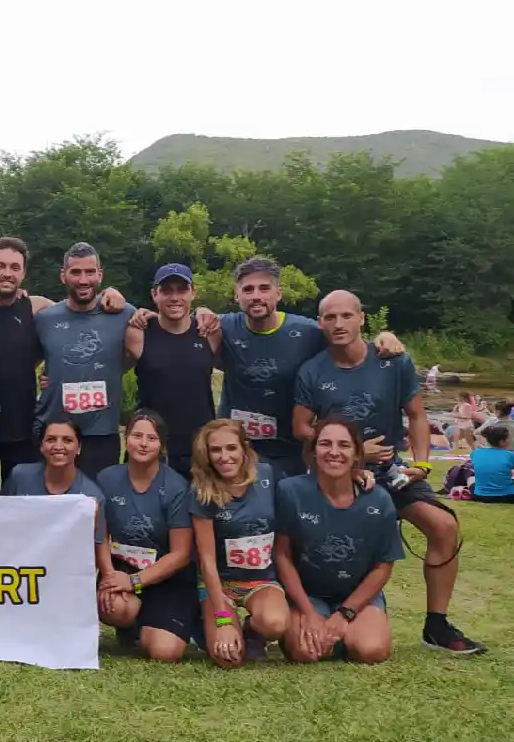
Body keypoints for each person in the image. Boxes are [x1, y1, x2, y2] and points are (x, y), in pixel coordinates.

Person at [293, 289, 484, 654]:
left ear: (361, 317)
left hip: (390, 471)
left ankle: (436, 625)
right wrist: (350, 451)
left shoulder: (392, 360)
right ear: (320, 323)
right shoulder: (313, 370)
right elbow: (301, 427)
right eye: (329, 318)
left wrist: (422, 463)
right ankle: (317, 611)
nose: (338, 324)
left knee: (444, 526)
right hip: (339, 475)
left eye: (346, 316)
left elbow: (416, 416)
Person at [0, 237, 126, 480]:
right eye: (0, 266)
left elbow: (79, 311)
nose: (7, 273)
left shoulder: (38, 307)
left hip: (22, 426)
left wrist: (110, 293)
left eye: (14, 267)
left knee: (21, 502)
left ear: (23, 273)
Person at [210, 257, 404, 480]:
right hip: (236, 445)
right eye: (248, 290)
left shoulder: (307, 332)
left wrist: (383, 337)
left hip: (289, 450)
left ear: (278, 293)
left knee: (285, 508)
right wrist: (198, 311)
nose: (256, 296)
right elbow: (179, 325)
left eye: (264, 288)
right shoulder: (223, 326)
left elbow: (349, 340)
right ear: (237, 295)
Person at [276, 417, 403, 664]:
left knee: (370, 651)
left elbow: (383, 566)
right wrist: (308, 613)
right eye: (325, 444)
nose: (334, 452)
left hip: (358, 595)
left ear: (357, 454)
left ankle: (349, 630)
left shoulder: (379, 500)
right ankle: (318, 628)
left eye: (344, 445)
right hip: (309, 594)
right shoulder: (290, 491)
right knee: (304, 653)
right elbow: (282, 555)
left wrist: (345, 614)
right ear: (313, 451)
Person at [94, 410, 198, 662]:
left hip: (165, 575)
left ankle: (157, 622)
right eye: (136, 435)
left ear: (161, 445)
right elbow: (99, 537)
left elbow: (181, 554)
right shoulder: (106, 478)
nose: (143, 443)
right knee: (115, 608)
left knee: (165, 652)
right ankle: (128, 624)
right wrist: (109, 576)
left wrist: (135, 582)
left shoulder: (177, 487)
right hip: (122, 568)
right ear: (125, 438)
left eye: (151, 438)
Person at [189, 419, 289, 669]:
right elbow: (207, 561)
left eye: (231, 448)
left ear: (244, 449)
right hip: (220, 584)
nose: (225, 457)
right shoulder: (202, 491)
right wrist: (222, 620)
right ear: (207, 455)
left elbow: (309, 488)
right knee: (228, 658)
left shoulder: (268, 475)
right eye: (216, 450)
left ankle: (252, 630)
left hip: (261, 581)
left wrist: (356, 471)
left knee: (275, 624)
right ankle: (211, 625)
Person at [35, 243, 136, 478]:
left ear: (100, 274)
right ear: (63, 275)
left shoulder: (125, 314)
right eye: (76, 272)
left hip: (101, 435)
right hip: (53, 434)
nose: (83, 280)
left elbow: (150, 337)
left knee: (96, 508)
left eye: (90, 272)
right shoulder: (45, 319)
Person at [125, 264, 217, 479]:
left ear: (193, 292)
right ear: (154, 294)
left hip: (199, 448)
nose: (174, 297)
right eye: (167, 290)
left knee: (200, 511)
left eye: (182, 289)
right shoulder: (138, 333)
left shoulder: (209, 333)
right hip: (151, 446)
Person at [3, 418, 105, 505]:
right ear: (41, 446)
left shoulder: (91, 496)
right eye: (51, 439)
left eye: (67, 440)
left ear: (79, 448)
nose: (58, 447)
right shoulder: (20, 477)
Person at [469, 424, 514, 503]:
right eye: (509, 438)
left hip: (479, 496)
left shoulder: (475, 453)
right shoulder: (510, 455)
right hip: (507, 496)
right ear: (501, 442)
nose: (511, 440)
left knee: (470, 476)